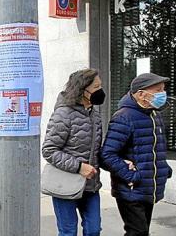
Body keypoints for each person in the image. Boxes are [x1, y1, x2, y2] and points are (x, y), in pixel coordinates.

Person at [100, 73, 173, 236]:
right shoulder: (124, 117)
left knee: (141, 231)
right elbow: (106, 155)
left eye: (163, 89)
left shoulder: (155, 114)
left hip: (148, 187)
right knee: (137, 232)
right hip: (131, 189)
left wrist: (163, 168)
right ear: (141, 94)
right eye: (158, 90)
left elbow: (153, 148)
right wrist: (131, 176)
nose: (163, 94)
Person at [42, 69, 105, 236]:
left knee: (93, 230)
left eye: (101, 86)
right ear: (82, 89)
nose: (100, 91)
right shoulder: (63, 114)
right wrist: (79, 167)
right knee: (68, 231)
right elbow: (49, 150)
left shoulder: (95, 115)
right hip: (65, 184)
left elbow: (96, 150)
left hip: (90, 186)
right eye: (96, 87)